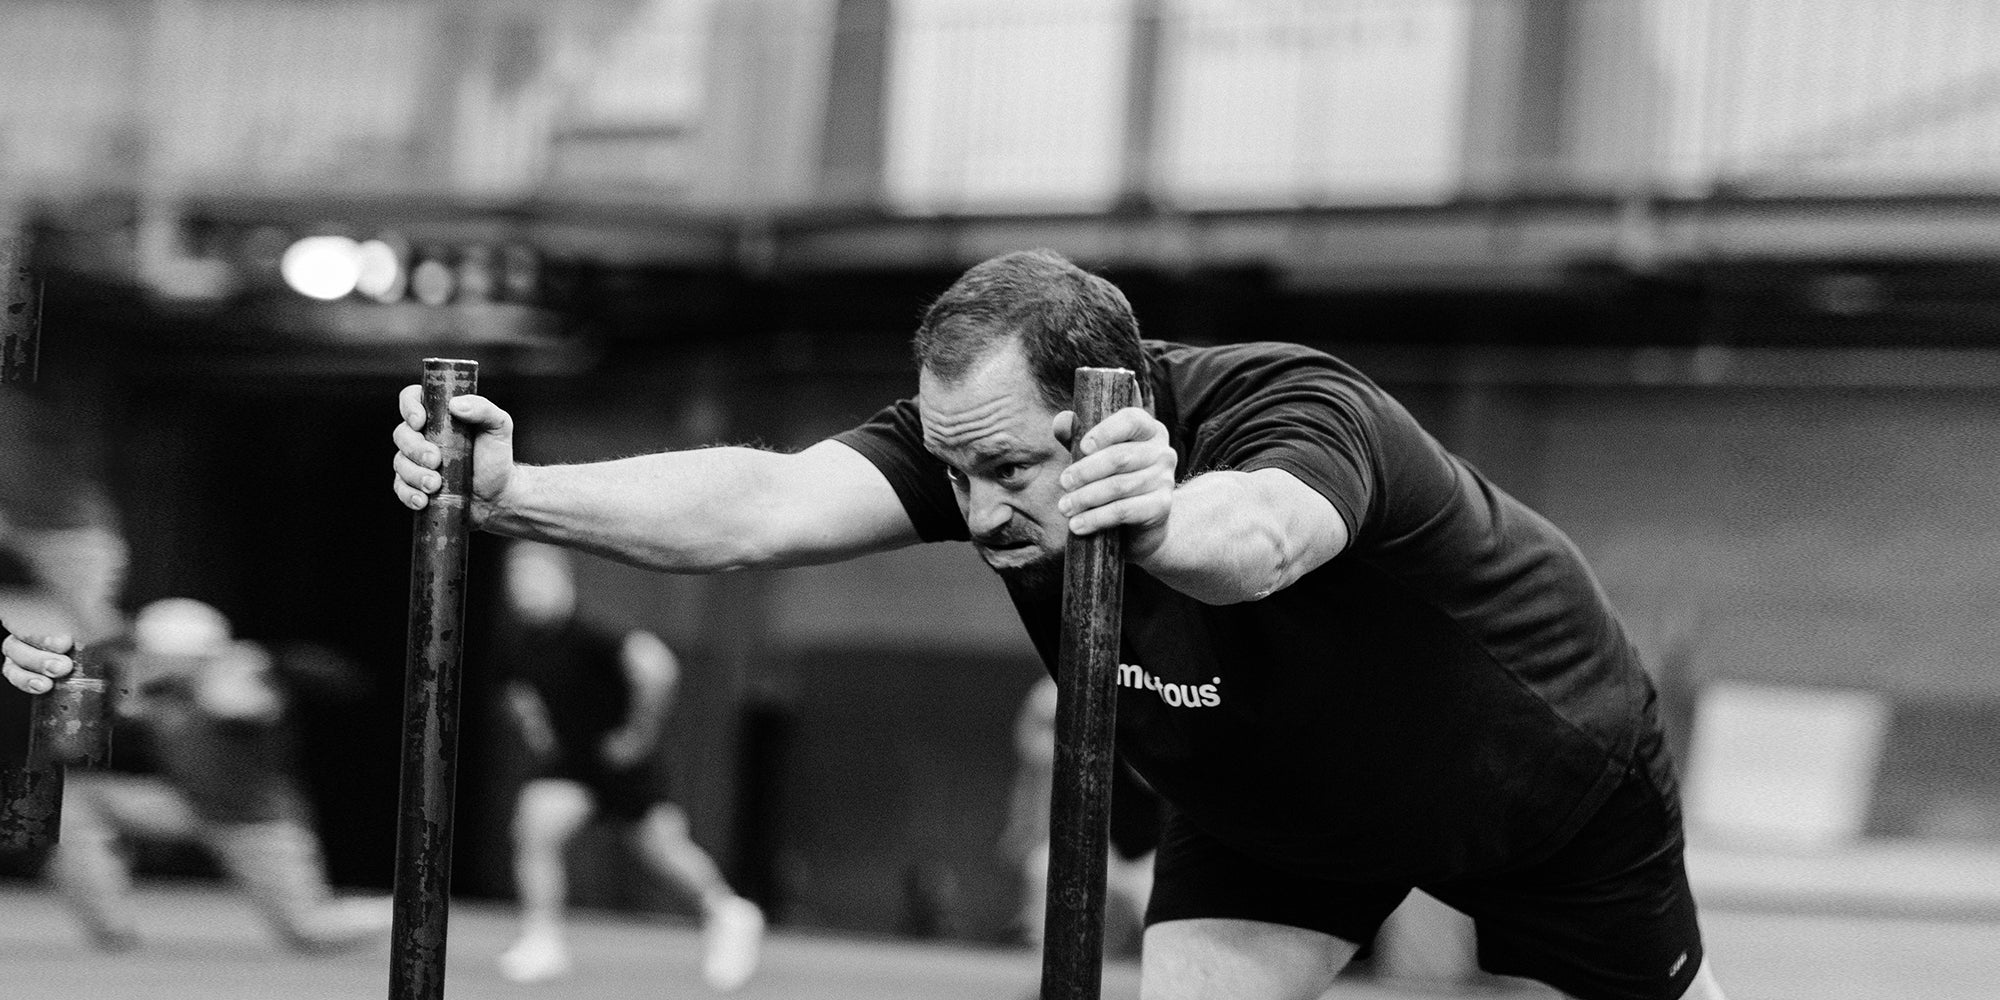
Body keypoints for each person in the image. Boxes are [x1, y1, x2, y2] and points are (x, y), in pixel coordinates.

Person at [11, 248, 1727, 1000]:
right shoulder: (980, 444)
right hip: (1269, 805)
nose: (976, 518)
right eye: (952, 468)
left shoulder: (1295, 410)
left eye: (1013, 474)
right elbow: (757, 506)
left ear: (1105, 392)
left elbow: (1265, 543)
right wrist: (520, 491)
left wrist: (1148, 517)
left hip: (1534, 763)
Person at [24, 597, 391, 952]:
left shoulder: (237, 679)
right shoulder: (161, 692)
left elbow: (308, 683)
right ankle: (111, 928)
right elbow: (85, 727)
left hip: (253, 822)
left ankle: (404, 909)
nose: (141, 658)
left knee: (309, 931)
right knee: (72, 801)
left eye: (152, 651)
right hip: (186, 807)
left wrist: (258, 666)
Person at [490, 539, 764, 991]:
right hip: (572, 766)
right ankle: (543, 941)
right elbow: (516, 691)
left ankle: (729, 913)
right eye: (517, 579)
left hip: (623, 766)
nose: (526, 588)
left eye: (537, 576)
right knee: (535, 827)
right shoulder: (518, 642)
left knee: (663, 851)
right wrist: (534, 725)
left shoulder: (594, 630)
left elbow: (657, 667)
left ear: (563, 580)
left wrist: (638, 734)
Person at [997, 675, 1156, 955]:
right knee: (1044, 866)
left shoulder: (1142, 690)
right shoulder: (1055, 691)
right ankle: (1049, 973)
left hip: (1146, 852)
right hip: (1088, 847)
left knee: (1165, 926)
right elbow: (1034, 769)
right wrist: (1022, 828)